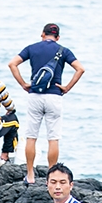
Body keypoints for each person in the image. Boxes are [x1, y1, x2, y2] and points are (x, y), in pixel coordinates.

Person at [8, 23, 85, 184]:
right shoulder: (64, 50)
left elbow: (12, 64)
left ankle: (30, 175)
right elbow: (80, 69)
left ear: (42, 34)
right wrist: (67, 88)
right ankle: (52, 177)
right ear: (57, 37)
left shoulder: (31, 48)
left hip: (35, 95)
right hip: (54, 97)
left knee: (31, 137)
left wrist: (23, 84)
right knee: (53, 139)